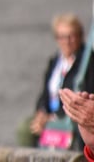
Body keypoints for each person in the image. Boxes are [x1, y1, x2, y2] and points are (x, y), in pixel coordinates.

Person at [17, 13, 92, 148]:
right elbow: (45, 94)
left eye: (71, 36)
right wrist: (41, 113)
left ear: (80, 36)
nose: (67, 41)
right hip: (49, 113)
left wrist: (54, 117)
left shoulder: (87, 63)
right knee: (25, 128)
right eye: (62, 37)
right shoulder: (55, 61)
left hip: (70, 117)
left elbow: (84, 95)